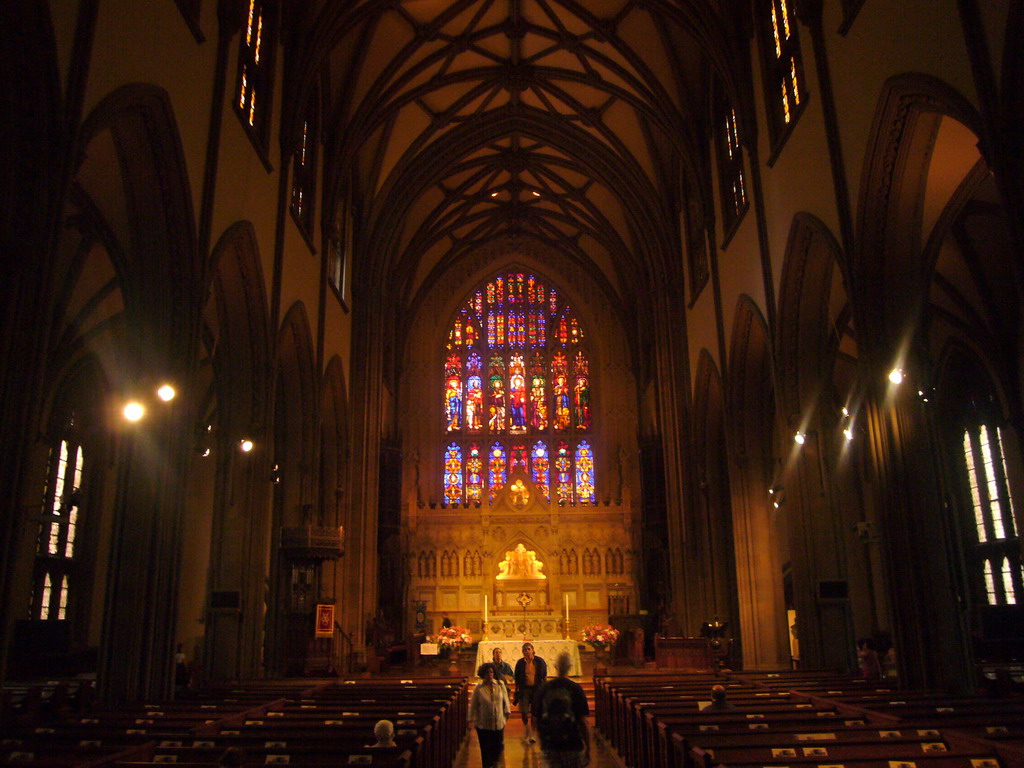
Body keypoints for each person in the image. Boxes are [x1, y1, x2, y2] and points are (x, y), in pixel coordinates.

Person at [531, 652, 590, 767]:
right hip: (572, 743)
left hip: (550, 744)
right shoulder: (575, 688)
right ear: (570, 667)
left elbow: (536, 717)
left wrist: (542, 740)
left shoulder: (544, 688)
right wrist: (588, 747)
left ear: (555, 667)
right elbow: (583, 720)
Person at [468, 662, 511, 768]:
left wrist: (507, 712)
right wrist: (470, 719)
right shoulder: (479, 689)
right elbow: (473, 705)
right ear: (483, 674)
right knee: (486, 751)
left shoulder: (500, 685)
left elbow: (505, 700)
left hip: (498, 723)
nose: (490, 674)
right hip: (484, 725)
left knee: (497, 749)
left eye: (491, 672)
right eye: (487, 672)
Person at [513, 642, 547, 743]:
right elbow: (517, 677)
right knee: (523, 711)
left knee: (535, 713)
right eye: (525, 650)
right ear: (522, 652)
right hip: (524, 689)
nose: (527, 651)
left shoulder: (540, 661)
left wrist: (545, 689)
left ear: (533, 650)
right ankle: (526, 728)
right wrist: (516, 689)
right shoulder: (520, 663)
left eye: (528, 649)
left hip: (537, 689)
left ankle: (532, 732)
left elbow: (544, 676)